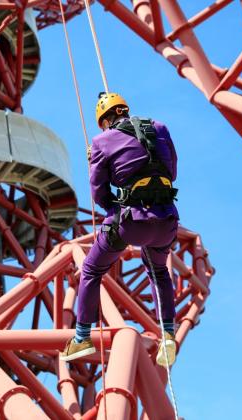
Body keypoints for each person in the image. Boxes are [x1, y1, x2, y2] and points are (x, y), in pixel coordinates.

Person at [60, 92, 179, 365]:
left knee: (91, 269)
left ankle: (81, 338)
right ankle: (168, 335)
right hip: (166, 220)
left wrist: (112, 202)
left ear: (104, 120)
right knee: (159, 271)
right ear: (124, 110)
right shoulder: (159, 127)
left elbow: (98, 191)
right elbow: (171, 172)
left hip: (130, 222)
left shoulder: (101, 141)